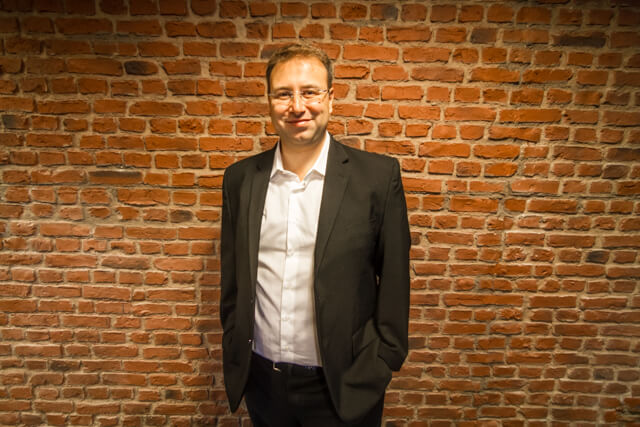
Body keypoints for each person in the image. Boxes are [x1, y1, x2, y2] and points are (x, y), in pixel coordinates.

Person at [219, 43, 410, 427]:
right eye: (283, 94)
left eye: (309, 92)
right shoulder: (240, 179)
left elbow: (394, 278)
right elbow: (233, 279)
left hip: (344, 386)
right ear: (269, 101)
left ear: (331, 98)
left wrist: (383, 359)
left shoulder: (376, 178)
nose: (297, 106)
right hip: (263, 382)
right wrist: (234, 340)